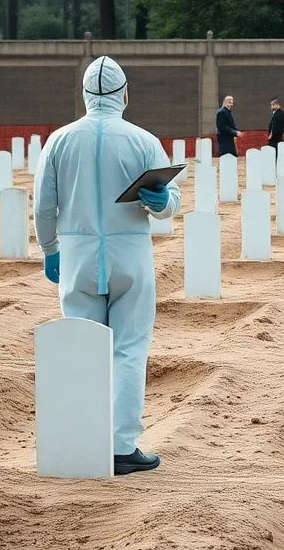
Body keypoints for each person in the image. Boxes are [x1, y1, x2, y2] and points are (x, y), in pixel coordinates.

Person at [33, 55, 181, 476]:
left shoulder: (59, 140)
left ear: (84, 94)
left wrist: (49, 248)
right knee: (129, 348)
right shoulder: (143, 140)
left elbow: (43, 205)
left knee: (81, 348)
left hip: (77, 254)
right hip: (129, 252)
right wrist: (161, 203)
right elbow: (169, 202)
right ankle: (120, 446)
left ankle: (81, 443)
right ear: (125, 94)